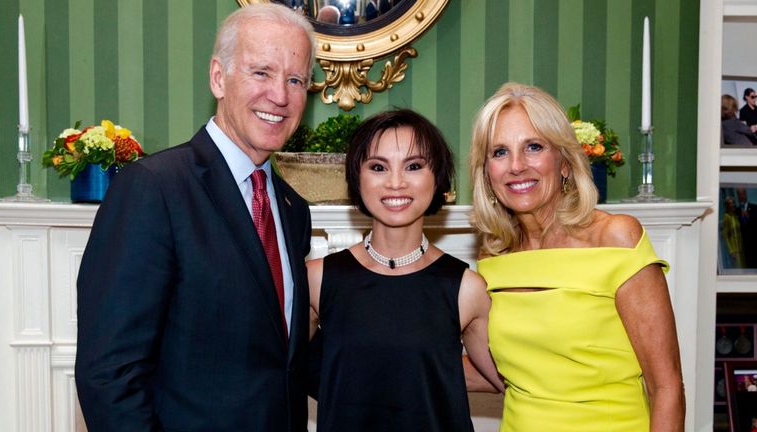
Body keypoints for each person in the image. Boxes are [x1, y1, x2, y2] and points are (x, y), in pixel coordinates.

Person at [75, 4, 317, 431]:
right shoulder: (153, 188)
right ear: (218, 77)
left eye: (295, 80)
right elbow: (109, 373)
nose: (279, 96)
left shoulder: (293, 209)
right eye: (261, 72)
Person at [468, 82, 685, 431]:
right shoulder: (494, 256)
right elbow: (504, 370)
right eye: (499, 152)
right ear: (487, 173)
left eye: (533, 147)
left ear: (565, 162)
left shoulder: (616, 237)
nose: (516, 166)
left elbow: (667, 386)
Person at [307, 109, 504, 432]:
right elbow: (282, 368)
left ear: (437, 177)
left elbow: (505, 379)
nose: (395, 182)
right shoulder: (318, 278)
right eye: (378, 167)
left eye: (414, 166)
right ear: (357, 178)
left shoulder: (467, 287)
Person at [722, 195, 745, 268]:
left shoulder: (735, 215)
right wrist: (732, 251)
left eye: (733, 203)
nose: (732, 205)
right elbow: (726, 236)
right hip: (735, 250)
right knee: (740, 269)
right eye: (730, 203)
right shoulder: (726, 217)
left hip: (742, 247)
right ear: (727, 205)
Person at [737, 187, 757, 268]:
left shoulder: (755, 207)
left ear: (746, 194)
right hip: (743, 245)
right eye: (739, 194)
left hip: (754, 243)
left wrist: (749, 217)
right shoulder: (736, 210)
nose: (741, 196)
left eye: (742, 194)